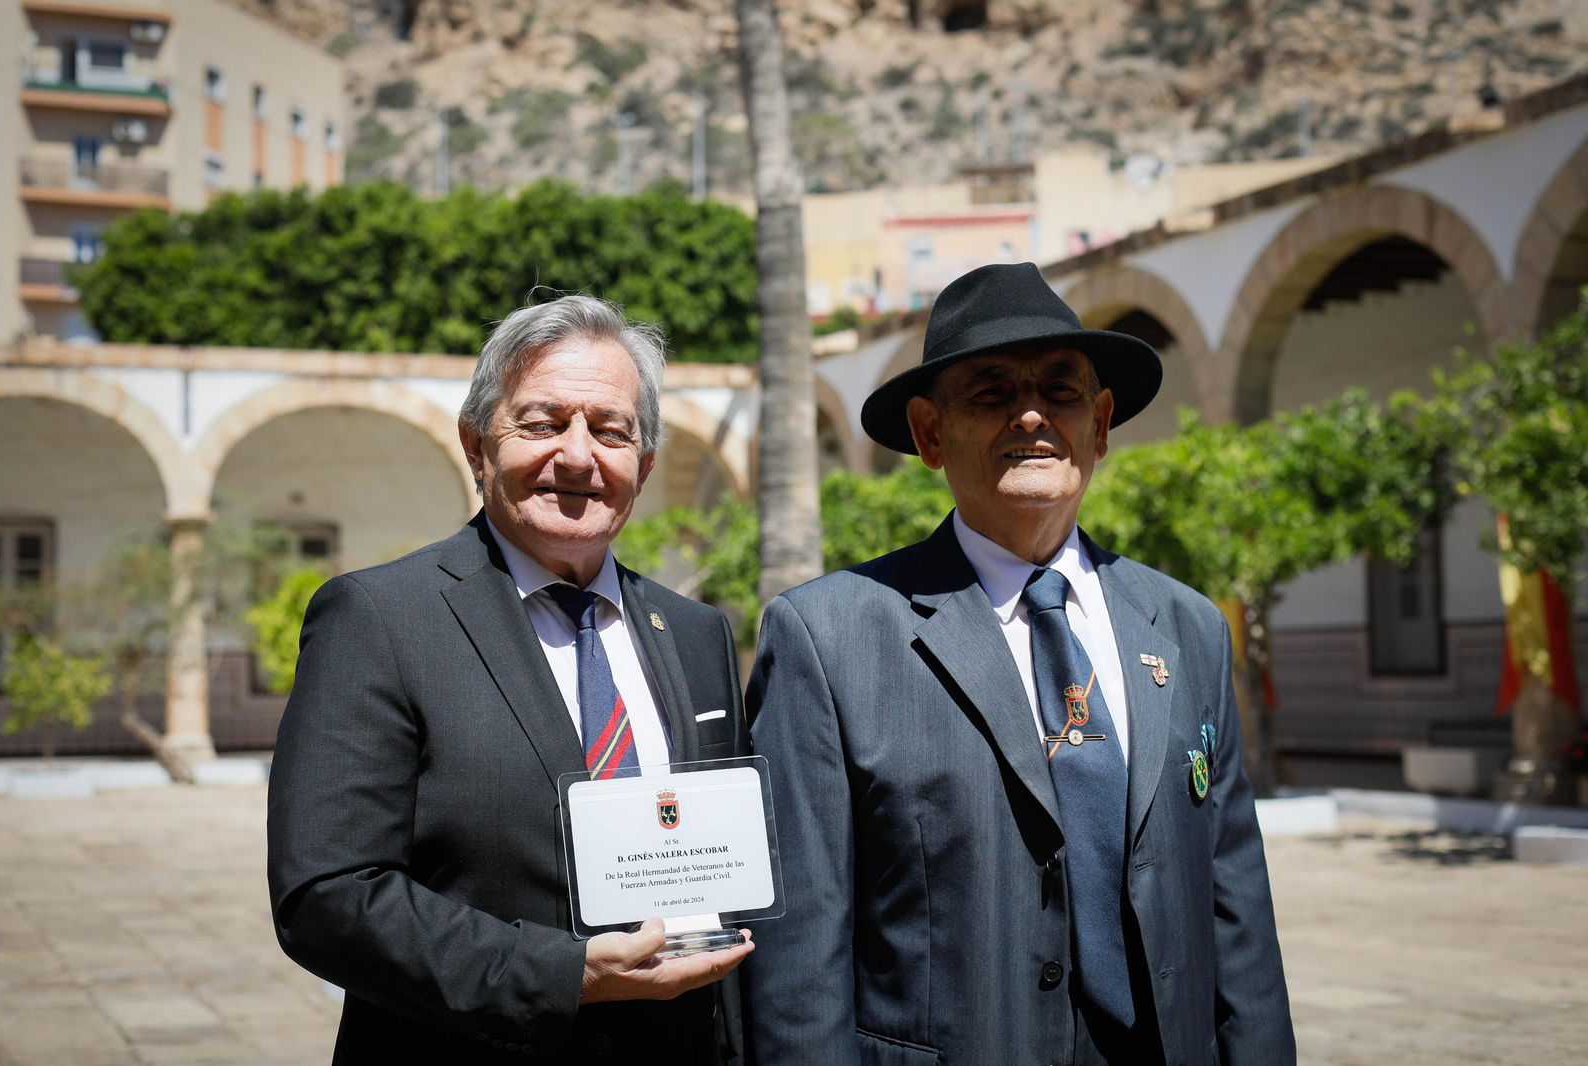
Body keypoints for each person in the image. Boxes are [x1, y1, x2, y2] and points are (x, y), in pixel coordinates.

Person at [743, 263, 1295, 1065]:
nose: (1032, 414)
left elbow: (1236, 908)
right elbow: (800, 952)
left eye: (1061, 391)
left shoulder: (1186, 627)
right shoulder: (828, 639)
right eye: (992, 391)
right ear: (931, 434)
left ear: (1101, 425)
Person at [267, 295, 753, 1065]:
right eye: (543, 422)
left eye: (611, 430)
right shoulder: (380, 619)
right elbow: (326, 897)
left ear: (645, 465)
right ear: (476, 446)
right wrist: (562, 975)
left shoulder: (695, 635)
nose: (578, 455)